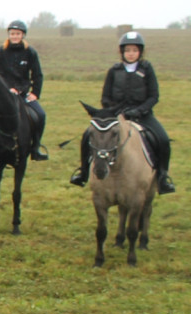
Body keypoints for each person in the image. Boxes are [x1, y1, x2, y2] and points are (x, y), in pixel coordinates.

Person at [70, 31, 175, 193]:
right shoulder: (114, 70)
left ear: (140, 52)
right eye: (127, 50)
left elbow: (154, 96)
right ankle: (83, 173)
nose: (131, 54)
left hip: (143, 116)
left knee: (163, 140)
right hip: (116, 117)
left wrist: (139, 111)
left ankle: (162, 178)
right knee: (86, 136)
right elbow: (105, 97)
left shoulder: (147, 69)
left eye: (134, 50)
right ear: (122, 52)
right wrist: (114, 111)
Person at [0, 20, 48, 160]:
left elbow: (37, 74)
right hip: (2, 92)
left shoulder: (30, 52)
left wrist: (35, 93)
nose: (15, 36)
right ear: (8, 35)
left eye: (18, 34)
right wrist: (8, 88)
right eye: (12, 33)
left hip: (23, 93)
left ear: (23, 35)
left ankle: (35, 147)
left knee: (41, 115)